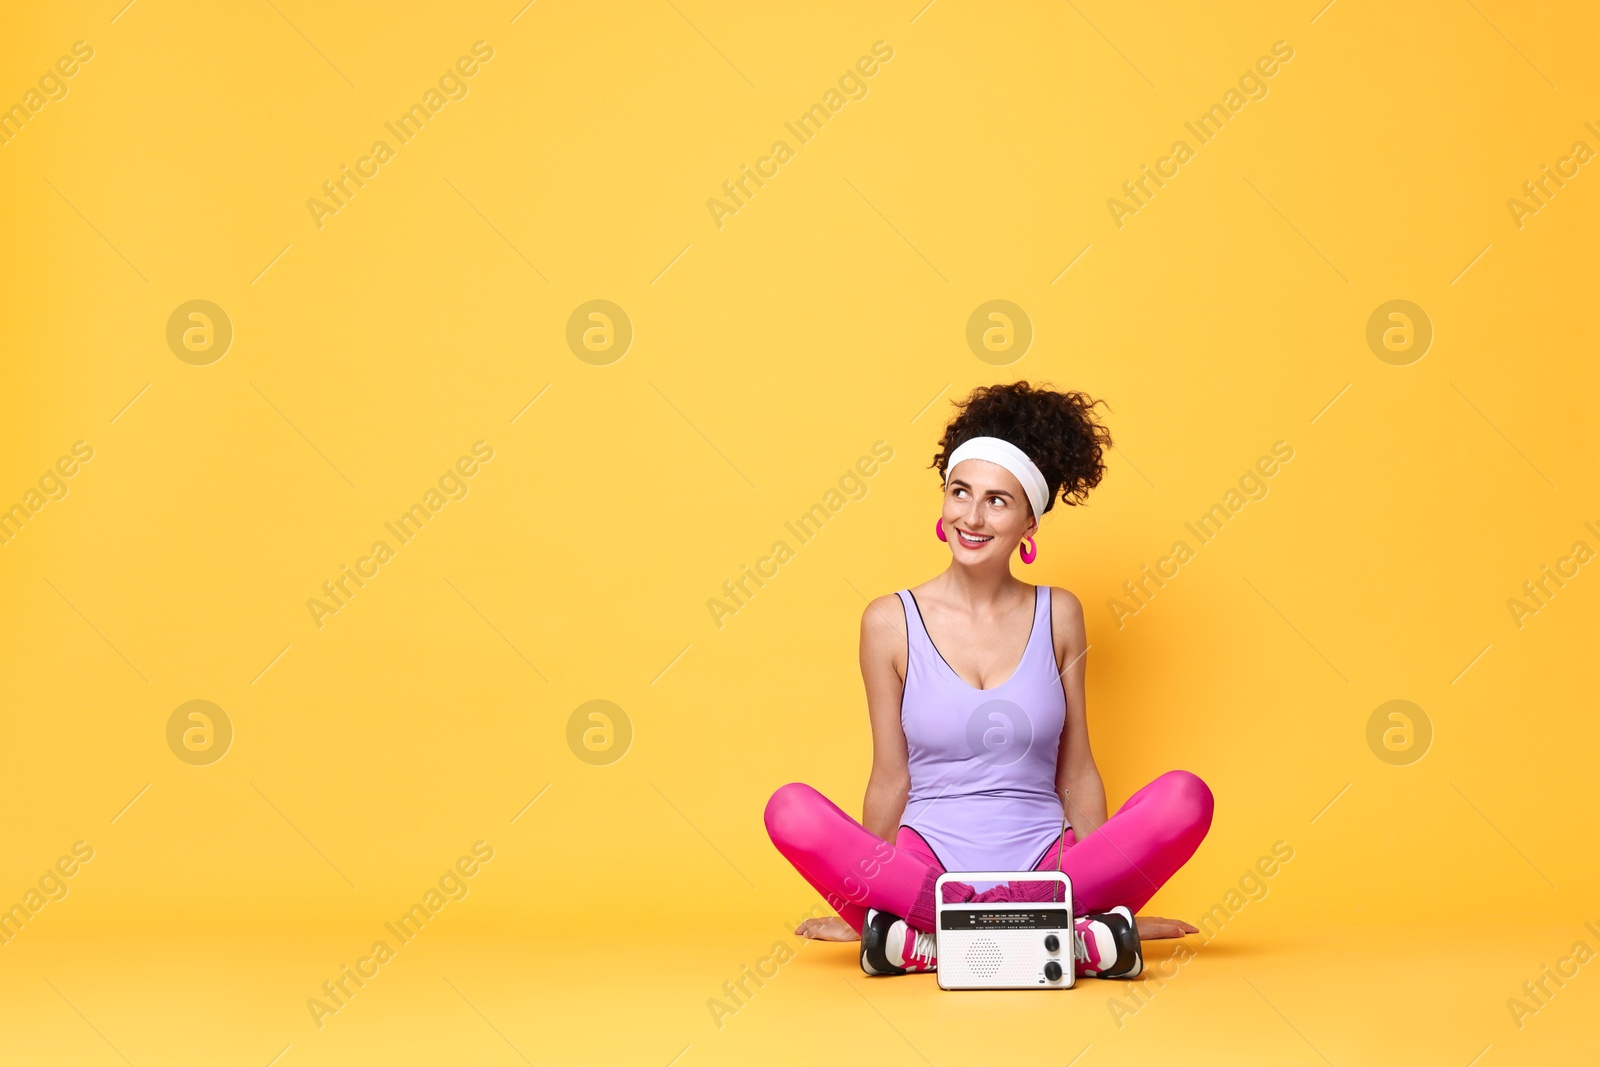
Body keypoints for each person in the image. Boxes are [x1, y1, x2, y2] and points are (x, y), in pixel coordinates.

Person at [763, 381, 1214, 978]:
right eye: (960, 492)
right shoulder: (888, 621)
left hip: (1049, 857)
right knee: (790, 810)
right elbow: (890, 775)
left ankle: (931, 943)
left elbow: (1076, 769)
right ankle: (1066, 936)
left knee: (1186, 796)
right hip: (927, 865)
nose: (971, 518)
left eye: (997, 501)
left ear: (1030, 519)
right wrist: (860, 907)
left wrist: (1113, 890)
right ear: (943, 501)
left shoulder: (1061, 613)